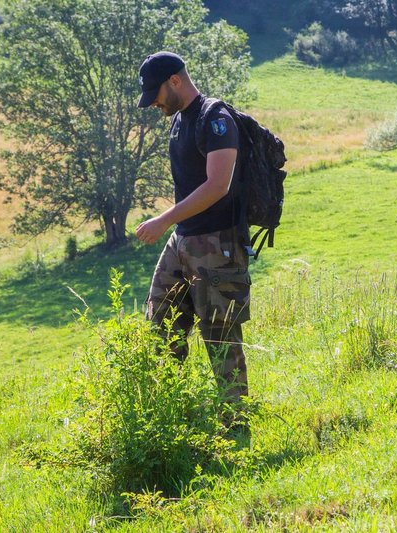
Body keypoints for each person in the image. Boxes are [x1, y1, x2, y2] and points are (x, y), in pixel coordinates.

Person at [135, 51, 250, 429]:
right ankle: (170, 419)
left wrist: (164, 219)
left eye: (155, 93)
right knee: (160, 327)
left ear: (175, 81)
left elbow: (218, 185)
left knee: (220, 338)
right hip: (184, 240)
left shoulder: (215, 119)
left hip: (218, 244)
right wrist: (174, 227)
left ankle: (235, 429)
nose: (153, 102)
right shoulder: (180, 121)